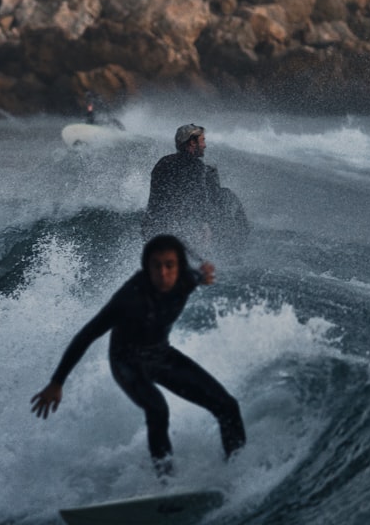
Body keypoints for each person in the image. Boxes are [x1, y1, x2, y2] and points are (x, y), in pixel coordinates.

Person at [30, 235, 245, 475]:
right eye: (156, 266)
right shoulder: (129, 298)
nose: (163, 273)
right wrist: (57, 381)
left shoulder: (187, 279)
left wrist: (203, 275)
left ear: (180, 267)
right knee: (158, 409)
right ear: (146, 267)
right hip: (127, 362)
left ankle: (237, 468)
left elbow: (199, 274)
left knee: (227, 406)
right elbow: (87, 335)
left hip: (162, 356)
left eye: (169, 265)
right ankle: (166, 482)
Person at [141, 124, 248, 257]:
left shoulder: (163, 162)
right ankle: (235, 250)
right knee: (226, 194)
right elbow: (198, 200)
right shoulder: (196, 167)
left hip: (151, 229)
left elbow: (161, 200)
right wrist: (205, 226)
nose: (205, 145)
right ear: (192, 143)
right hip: (178, 234)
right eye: (202, 140)